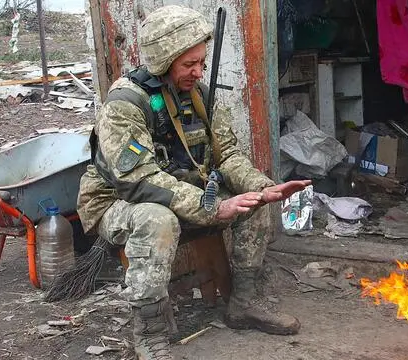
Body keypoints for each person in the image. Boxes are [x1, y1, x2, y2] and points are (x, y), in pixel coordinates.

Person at [76, 5, 310, 359]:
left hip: (178, 193)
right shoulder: (125, 105)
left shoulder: (198, 95)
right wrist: (212, 206)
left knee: (252, 199)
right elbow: (139, 180)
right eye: (189, 65)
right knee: (157, 219)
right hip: (116, 201)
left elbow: (227, 155)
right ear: (163, 59)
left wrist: (263, 187)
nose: (199, 72)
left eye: (202, 62)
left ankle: (244, 303)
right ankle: (151, 335)